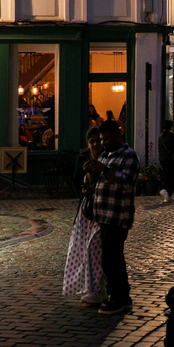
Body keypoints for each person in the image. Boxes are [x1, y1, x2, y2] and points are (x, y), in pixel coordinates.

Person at [87, 120, 140, 315]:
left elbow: (126, 182)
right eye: (101, 139)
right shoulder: (106, 156)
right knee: (111, 258)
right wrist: (93, 172)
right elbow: (98, 183)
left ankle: (116, 297)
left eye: (107, 139)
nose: (104, 143)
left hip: (118, 215)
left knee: (111, 259)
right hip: (103, 215)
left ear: (118, 136)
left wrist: (104, 170)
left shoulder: (129, 156)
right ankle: (122, 297)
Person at [63, 127, 106, 304]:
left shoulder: (107, 158)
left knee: (96, 248)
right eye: (92, 141)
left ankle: (99, 289)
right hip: (87, 210)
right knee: (84, 249)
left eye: (98, 140)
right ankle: (93, 288)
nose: (95, 144)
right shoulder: (82, 158)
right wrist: (84, 193)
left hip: (103, 210)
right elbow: (75, 180)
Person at [158, 120, 174, 202]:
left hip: (162, 159)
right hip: (169, 159)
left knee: (167, 176)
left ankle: (168, 196)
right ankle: (166, 190)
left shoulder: (161, 137)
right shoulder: (170, 137)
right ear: (170, 127)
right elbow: (173, 150)